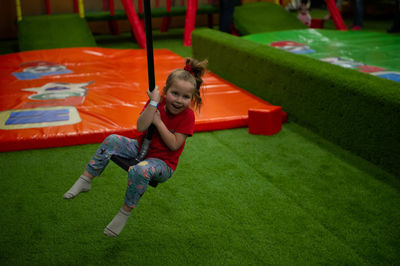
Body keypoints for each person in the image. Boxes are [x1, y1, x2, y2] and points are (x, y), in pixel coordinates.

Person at [63, 57, 208, 237]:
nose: (179, 100)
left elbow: (174, 144)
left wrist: (159, 122)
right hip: (140, 149)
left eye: (186, 97)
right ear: (165, 91)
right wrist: (153, 104)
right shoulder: (157, 102)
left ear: (192, 97)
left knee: (140, 171)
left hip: (162, 163)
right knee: (112, 140)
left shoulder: (187, 117)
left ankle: (124, 212)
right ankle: (86, 180)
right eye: (175, 93)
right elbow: (141, 127)